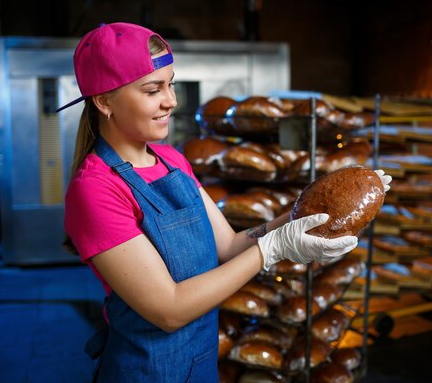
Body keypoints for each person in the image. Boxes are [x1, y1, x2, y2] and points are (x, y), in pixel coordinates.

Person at [58, 22, 392, 383]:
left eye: (170, 84)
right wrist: (273, 249)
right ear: (104, 100)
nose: (171, 100)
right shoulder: (94, 189)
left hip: (201, 364)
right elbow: (168, 309)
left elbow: (228, 245)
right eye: (153, 90)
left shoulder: (171, 159)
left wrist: (304, 213)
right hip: (148, 370)